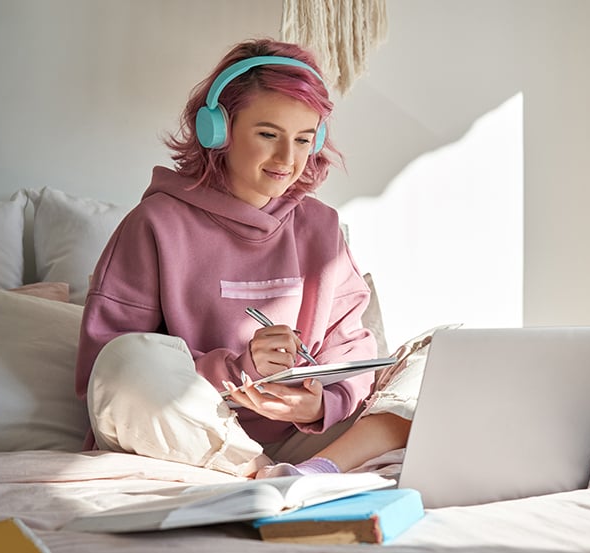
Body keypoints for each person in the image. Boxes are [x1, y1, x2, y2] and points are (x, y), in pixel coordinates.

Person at [74, 38, 414, 478]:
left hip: (302, 441)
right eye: (268, 134)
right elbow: (104, 372)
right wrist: (240, 370)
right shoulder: (154, 223)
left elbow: (351, 348)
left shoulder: (322, 227)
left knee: (431, 356)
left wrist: (319, 405)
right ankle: (260, 474)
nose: (287, 159)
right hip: (191, 434)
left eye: (303, 139)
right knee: (126, 361)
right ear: (218, 130)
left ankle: (314, 473)